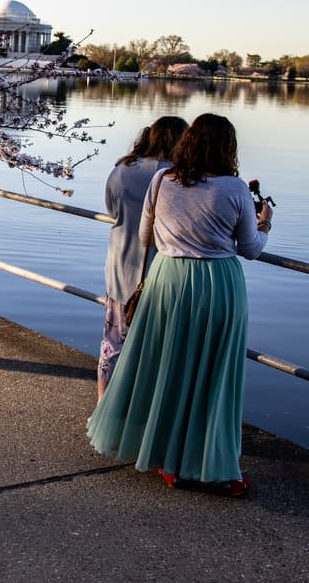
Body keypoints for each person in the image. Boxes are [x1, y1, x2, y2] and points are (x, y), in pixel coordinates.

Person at [86, 113, 273, 497]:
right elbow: (250, 249)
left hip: (167, 279)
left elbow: (144, 234)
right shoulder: (235, 188)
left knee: (166, 366)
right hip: (217, 284)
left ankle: (161, 455)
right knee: (211, 374)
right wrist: (265, 223)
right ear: (228, 147)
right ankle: (206, 462)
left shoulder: (161, 180)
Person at [97, 116, 189, 400]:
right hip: (164, 270)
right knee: (157, 347)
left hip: (121, 262)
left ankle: (104, 405)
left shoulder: (123, 169)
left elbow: (112, 209)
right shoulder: (181, 176)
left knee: (113, 342)